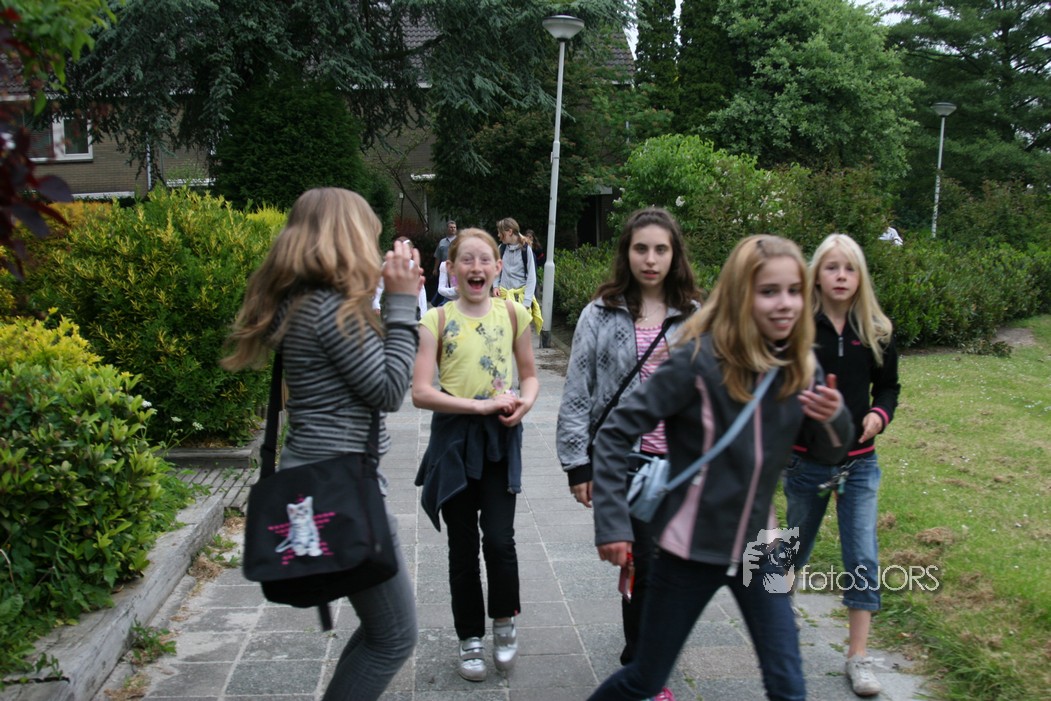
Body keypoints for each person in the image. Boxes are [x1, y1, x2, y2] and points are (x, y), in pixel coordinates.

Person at [587, 234, 854, 701]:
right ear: (739, 295)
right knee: (645, 678)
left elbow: (829, 455)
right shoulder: (696, 362)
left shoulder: (800, 367)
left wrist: (835, 418)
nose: (785, 303)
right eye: (769, 291)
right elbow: (614, 434)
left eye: (794, 291)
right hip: (689, 549)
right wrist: (613, 523)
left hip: (762, 548)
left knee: (789, 685)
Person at [221, 188, 422, 701]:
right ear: (347, 238)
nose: (375, 248)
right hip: (342, 487)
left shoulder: (303, 304)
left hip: (325, 479)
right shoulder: (330, 311)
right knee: (394, 637)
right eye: (370, 236)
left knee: (382, 632)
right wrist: (402, 302)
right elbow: (388, 390)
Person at [556, 207, 703, 701]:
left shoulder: (696, 317)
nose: (651, 259)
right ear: (626, 253)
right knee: (645, 563)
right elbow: (577, 391)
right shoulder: (600, 313)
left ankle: (644, 657)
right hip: (624, 462)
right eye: (641, 248)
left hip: (681, 464)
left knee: (668, 567)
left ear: (675, 255)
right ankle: (643, 668)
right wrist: (578, 464)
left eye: (661, 249)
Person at [411, 227, 540, 682]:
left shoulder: (513, 313)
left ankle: (504, 622)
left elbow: (530, 376)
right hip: (453, 442)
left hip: (500, 439)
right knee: (462, 547)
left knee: (500, 541)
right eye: (466, 259)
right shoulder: (436, 321)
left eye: (485, 259)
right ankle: (470, 637)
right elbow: (421, 392)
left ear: (498, 266)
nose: (476, 267)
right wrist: (478, 406)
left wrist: (525, 402)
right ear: (451, 268)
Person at [783, 233, 900, 698]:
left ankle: (858, 656)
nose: (840, 276)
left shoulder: (876, 330)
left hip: (860, 464)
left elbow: (888, 387)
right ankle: (777, 609)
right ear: (817, 275)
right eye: (831, 267)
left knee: (862, 555)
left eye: (849, 268)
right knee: (793, 545)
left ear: (860, 277)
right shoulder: (798, 328)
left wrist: (879, 415)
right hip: (805, 464)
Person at [493, 217, 543, 335]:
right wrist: (495, 286)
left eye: (500, 232)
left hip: (520, 301)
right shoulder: (501, 248)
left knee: (519, 336)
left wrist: (527, 302)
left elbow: (531, 277)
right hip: (504, 298)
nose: (498, 235)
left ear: (510, 232)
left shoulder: (526, 250)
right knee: (503, 335)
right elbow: (496, 270)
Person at [373, 235, 428, 319]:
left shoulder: (413, 265)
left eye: (411, 252)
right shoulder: (388, 265)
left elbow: (421, 290)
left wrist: (423, 313)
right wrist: (376, 303)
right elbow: (379, 286)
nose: (410, 255)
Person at [431, 219, 458, 306]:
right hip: (444, 267)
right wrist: (435, 268)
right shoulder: (442, 242)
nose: (453, 229)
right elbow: (438, 256)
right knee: (444, 285)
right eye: (451, 227)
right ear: (447, 229)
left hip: (456, 267)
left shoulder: (459, 241)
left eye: (454, 227)